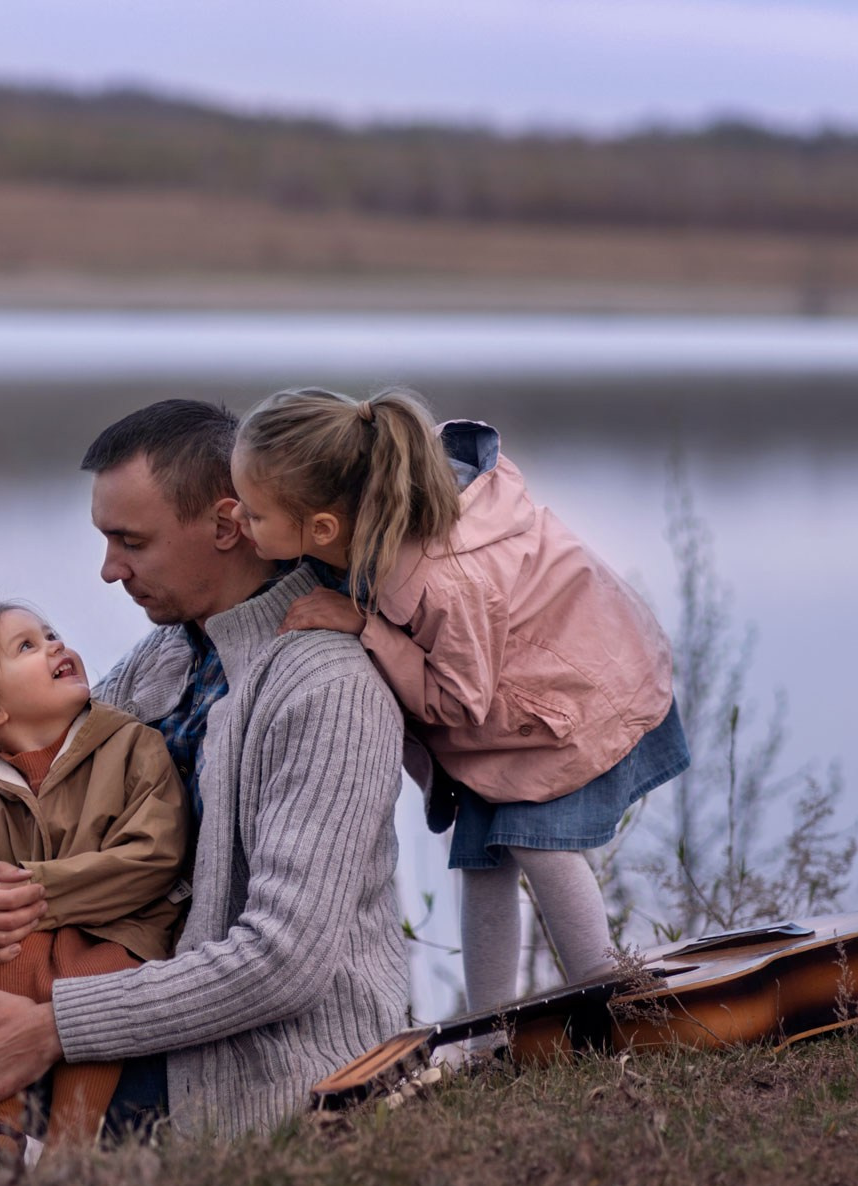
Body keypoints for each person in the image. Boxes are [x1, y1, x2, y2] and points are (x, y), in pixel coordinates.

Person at [0, 399, 410, 1186]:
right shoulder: (171, 656)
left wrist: (55, 1026)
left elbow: (282, 962)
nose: (108, 570)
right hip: (148, 1001)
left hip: (255, 1071)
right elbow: (32, 805)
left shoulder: (324, 688)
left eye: (130, 542)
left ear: (227, 525)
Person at [229, 386, 687, 1015]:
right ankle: (489, 1027)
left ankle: (614, 1003)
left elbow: (459, 699)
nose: (240, 522)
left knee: (539, 846)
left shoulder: (444, 580)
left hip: (568, 702)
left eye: (252, 514)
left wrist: (368, 630)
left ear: (323, 527)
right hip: (513, 704)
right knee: (481, 860)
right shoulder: (375, 523)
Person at [0, 602, 189, 1176]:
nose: (53, 646)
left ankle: (71, 1147)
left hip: (123, 927)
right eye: (26, 646)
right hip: (32, 934)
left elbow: (155, 858)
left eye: (50, 636)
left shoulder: (132, 745)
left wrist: (27, 892)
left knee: (97, 978)